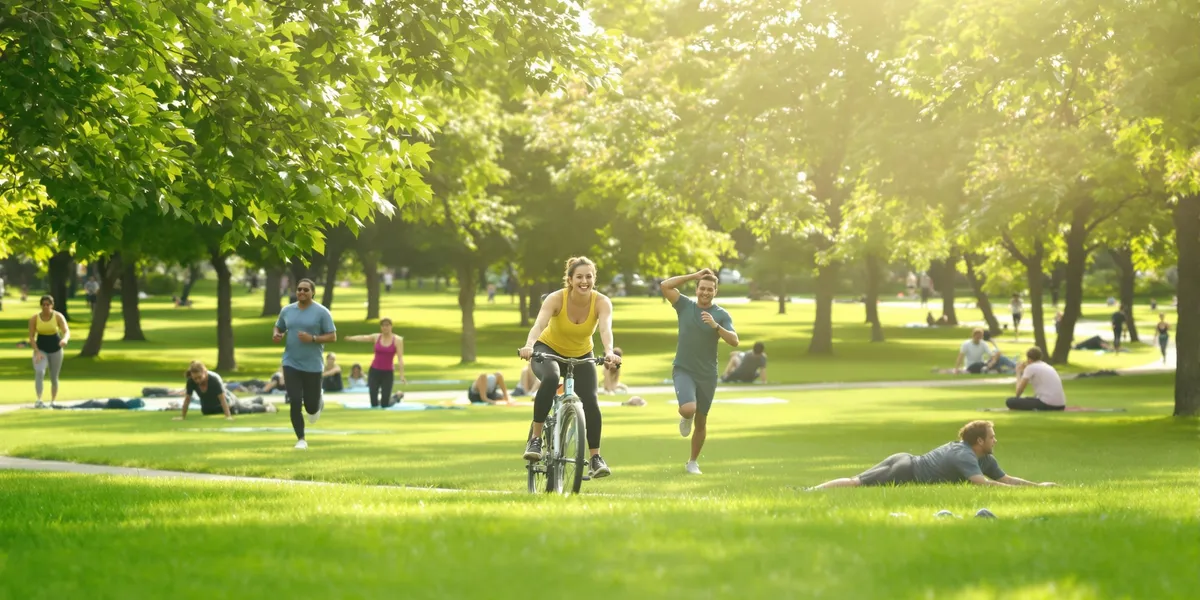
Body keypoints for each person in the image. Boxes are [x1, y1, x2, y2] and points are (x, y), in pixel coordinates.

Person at [518, 256, 621, 479]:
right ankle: (535, 440)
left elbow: (605, 330)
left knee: (591, 401)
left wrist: (610, 351)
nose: (584, 281)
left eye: (589, 277)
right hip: (548, 349)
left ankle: (595, 458)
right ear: (570, 279)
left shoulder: (601, 302)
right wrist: (529, 346)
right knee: (552, 378)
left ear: (594, 279)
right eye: (579, 277)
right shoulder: (556, 299)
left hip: (582, 353)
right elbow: (540, 323)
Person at [810, 421, 1057, 489]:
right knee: (856, 484)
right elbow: (984, 485)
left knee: (856, 481)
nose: (996, 440)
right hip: (906, 471)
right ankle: (810, 492)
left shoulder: (984, 458)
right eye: (992, 436)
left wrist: (1037, 486)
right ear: (979, 441)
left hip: (905, 460)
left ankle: (811, 492)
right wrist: (1025, 491)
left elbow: (1004, 479)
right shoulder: (965, 456)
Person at [661, 268, 738, 476]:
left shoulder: (721, 315)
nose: (705, 292)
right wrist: (694, 275)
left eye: (710, 289)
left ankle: (692, 462)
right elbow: (665, 285)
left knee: (701, 421)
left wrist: (716, 327)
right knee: (688, 409)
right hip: (684, 368)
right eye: (702, 288)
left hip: (707, 375)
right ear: (697, 289)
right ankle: (685, 416)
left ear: (716, 291)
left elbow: (734, 341)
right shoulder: (685, 305)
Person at [273, 278, 337, 449]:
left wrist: (313, 338)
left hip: (313, 365)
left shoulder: (322, 312)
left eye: (305, 290)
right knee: (294, 399)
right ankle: (301, 439)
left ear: (313, 292)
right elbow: (278, 327)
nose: (301, 292)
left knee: (311, 407)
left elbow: (332, 336)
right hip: (290, 362)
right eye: (299, 289)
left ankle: (318, 402)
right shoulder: (287, 310)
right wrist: (277, 334)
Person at [344, 318, 405, 408]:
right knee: (374, 404)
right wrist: (351, 338)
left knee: (385, 404)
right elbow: (364, 337)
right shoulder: (377, 337)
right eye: (383, 325)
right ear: (381, 327)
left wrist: (402, 375)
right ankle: (385, 399)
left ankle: (397, 396)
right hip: (374, 371)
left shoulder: (397, 340)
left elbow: (400, 358)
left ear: (391, 326)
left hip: (387, 373)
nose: (385, 328)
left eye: (387, 325)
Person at [28, 295, 70, 408]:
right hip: (41, 348)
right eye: (44, 305)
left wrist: (64, 340)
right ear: (41, 305)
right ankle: (39, 400)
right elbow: (31, 336)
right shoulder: (35, 318)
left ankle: (53, 401)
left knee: (54, 376)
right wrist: (36, 350)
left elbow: (66, 331)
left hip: (56, 348)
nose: (46, 307)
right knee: (40, 372)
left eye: (48, 305)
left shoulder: (58, 316)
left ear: (52, 305)